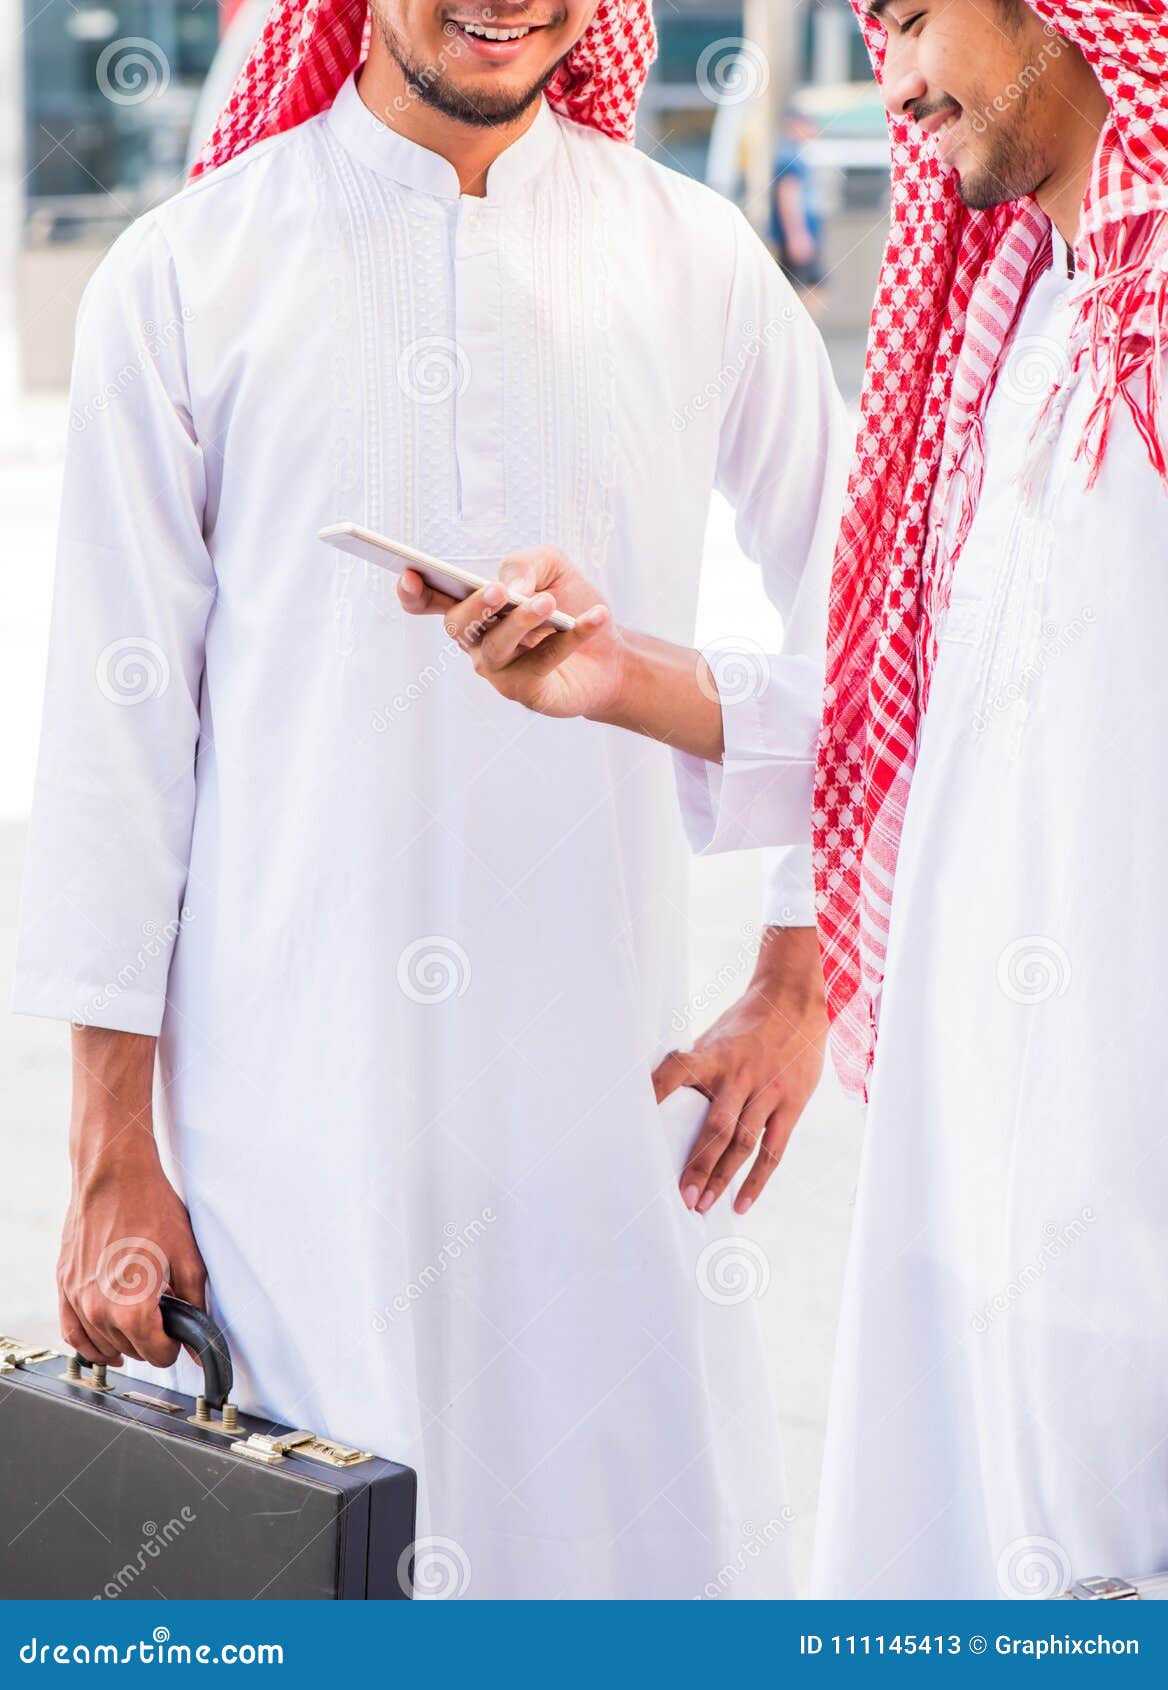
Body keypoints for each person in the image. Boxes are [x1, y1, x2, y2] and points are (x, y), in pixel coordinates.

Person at [12, 0, 851, 1599]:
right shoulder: (192, 275)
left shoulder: (695, 258)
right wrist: (110, 1142)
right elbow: (116, 742)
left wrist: (799, 973)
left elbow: (875, 623)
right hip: (284, 1153)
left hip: (607, 1144)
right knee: (317, 1583)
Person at [403, 0, 1168, 1598]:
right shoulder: (1026, 330)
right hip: (976, 1201)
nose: (894, 85)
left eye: (909, 25)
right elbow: (909, 728)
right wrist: (612, 671)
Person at [769, 110, 826, 314]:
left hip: (799, 234)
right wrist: (797, 235)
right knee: (809, 287)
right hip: (797, 235)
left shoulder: (793, 153)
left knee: (805, 287)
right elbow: (788, 196)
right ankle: (801, 336)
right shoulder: (790, 156)